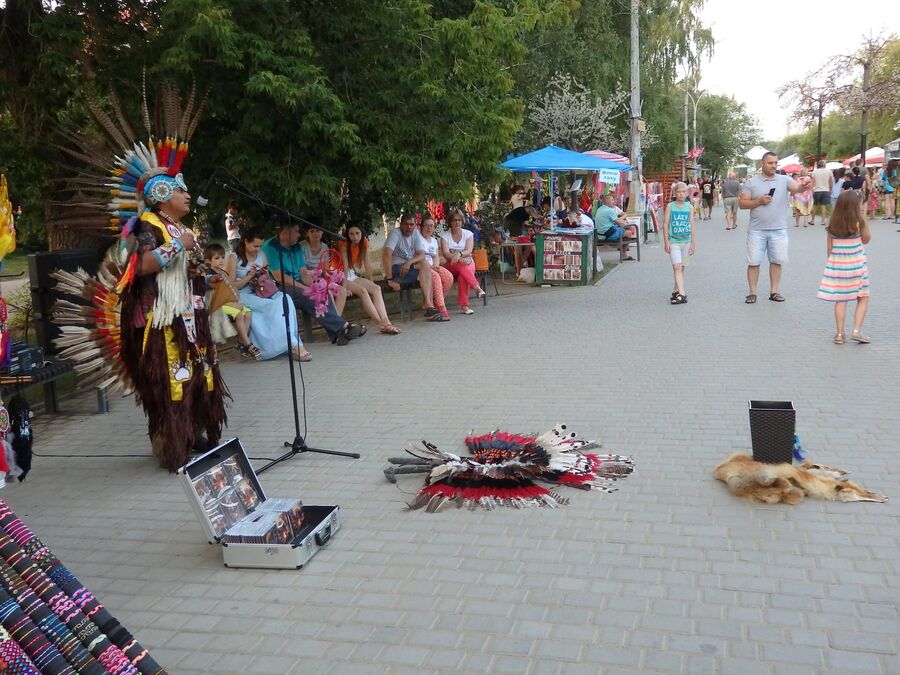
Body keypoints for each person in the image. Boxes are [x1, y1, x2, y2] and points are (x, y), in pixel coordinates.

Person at [262, 217, 366, 345]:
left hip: (297, 283)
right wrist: (306, 288)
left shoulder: (295, 247)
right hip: (279, 287)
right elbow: (279, 277)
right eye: (296, 231)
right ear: (286, 232)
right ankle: (343, 327)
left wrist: (316, 286)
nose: (299, 235)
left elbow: (303, 273)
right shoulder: (270, 247)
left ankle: (336, 334)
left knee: (322, 291)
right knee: (308, 295)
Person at [738, 151, 809, 304]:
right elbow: (742, 204)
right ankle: (752, 293)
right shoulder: (751, 182)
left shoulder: (784, 179)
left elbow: (798, 188)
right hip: (757, 230)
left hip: (779, 229)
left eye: (776, 163)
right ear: (762, 164)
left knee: (777, 261)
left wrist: (804, 186)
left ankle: (774, 291)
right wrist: (759, 202)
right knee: (754, 262)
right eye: (770, 163)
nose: (773, 166)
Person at [233, 229, 311, 361]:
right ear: (246, 242)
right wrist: (249, 277)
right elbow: (231, 285)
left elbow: (266, 279)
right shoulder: (234, 257)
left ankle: (290, 343)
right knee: (271, 305)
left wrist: (262, 273)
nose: (257, 249)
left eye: (260, 246)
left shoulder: (261, 255)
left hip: (260, 291)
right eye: (255, 246)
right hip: (243, 294)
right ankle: (293, 345)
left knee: (285, 299)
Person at [816, 191, 871, 344]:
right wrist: (865, 220)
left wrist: (833, 265)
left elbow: (829, 249)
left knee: (841, 299)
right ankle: (856, 331)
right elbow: (866, 240)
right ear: (855, 205)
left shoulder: (833, 224)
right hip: (857, 265)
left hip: (839, 266)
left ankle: (840, 334)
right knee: (863, 297)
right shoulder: (860, 222)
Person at [336, 224, 401, 334]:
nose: (355, 237)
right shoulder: (343, 244)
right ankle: (381, 324)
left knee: (376, 288)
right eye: (351, 234)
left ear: (362, 234)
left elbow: (367, 264)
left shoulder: (364, 242)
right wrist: (345, 288)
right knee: (363, 291)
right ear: (347, 235)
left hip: (351, 274)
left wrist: (370, 282)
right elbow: (345, 267)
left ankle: (387, 321)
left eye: (357, 233)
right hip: (338, 275)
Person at [204, 243, 260, 358]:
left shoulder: (223, 273)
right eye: (217, 258)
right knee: (239, 314)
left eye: (222, 257)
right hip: (217, 304)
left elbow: (230, 289)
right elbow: (218, 293)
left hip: (227, 302)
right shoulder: (210, 274)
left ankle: (241, 341)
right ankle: (247, 344)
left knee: (248, 312)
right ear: (208, 261)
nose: (221, 260)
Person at [382, 212, 439, 320]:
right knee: (426, 270)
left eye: (412, 224)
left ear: (415, 224)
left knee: (425, 265)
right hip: (395, 269)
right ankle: (429, 304)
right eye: (406, 224)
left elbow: (421, 254)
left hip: (407, 269)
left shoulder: (416, 233)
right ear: (401, 224)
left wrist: (409, 262)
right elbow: (386, 254)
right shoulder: (395, 233)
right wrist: (389, 279)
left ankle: (428, 303)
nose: (409, 227)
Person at [440, 208, 486, 315]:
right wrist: (458, 257)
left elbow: (469, 250)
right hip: (451, 265)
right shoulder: (445, 236)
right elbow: (446, 254)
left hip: (468, 263)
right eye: (454, 220)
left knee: (463, 276)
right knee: (462, 266)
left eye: (459, 220)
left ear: (462, 221)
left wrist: (458, 254)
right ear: (450, 222)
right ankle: (477, 288)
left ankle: (464, 306)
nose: (457, 222)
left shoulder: (468, 234)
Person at [300, 224, 350, 314]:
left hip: (322, 280)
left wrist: (329, 280)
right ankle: (336, 324)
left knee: (342, 291)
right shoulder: (302, 247)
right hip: (308, 282)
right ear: (307, 233)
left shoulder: (325, 247)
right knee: (328, 294)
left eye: (318, 231)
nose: (315, 234)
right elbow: (303, 272)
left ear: (322, 232)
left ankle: (337, 322)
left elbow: (325, 271)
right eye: (312, 231)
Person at [662, 182, 695, 305]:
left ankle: (676, 290)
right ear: (675, 193)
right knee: (677, 267)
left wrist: (693, 243)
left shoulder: (689, 207)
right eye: (678, 192)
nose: (681, 194)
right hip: (674, 241)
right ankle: (682, 294)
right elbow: (665, 224)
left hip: (686, 240)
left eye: (683, 192)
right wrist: (666, 242)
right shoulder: (671, 206)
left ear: (687, 193)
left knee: (681, 267)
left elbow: (692, 224)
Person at [419, 216, 453, 321]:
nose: (429, 228)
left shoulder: (433, 240)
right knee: (436, 278)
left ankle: (433, 303)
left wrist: (436, 265)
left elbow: (435, 256)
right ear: (421, 227)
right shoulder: (418, 239)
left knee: (448, 277)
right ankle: (441, 308)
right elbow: (418, 257)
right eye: (426, 226)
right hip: (422, 269)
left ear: (434, 228)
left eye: (431, 226)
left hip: (433, 266)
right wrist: (431, 268)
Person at [594, 193, 633, 259]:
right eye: (612, 200)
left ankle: (622, 250)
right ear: (607, 201)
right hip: (606, 232)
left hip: (600, 232)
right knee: (629, 232)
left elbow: (617, 221)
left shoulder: (600, 209)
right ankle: (624, 254)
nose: (613, 202)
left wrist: (624, 222)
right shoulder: (609, 210)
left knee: (624, 231)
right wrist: (628, 224)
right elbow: (619, 223)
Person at [810, 160, 833, 227]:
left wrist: (812, 189)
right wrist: (830, 190)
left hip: (817, 190)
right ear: (824, 165)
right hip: (826, 190)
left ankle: (813, 220)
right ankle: (823, 221)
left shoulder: (815, 171)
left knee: (814, 205)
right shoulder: (829, 171)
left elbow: (813, 181)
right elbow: (830, 182)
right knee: (824, 206)